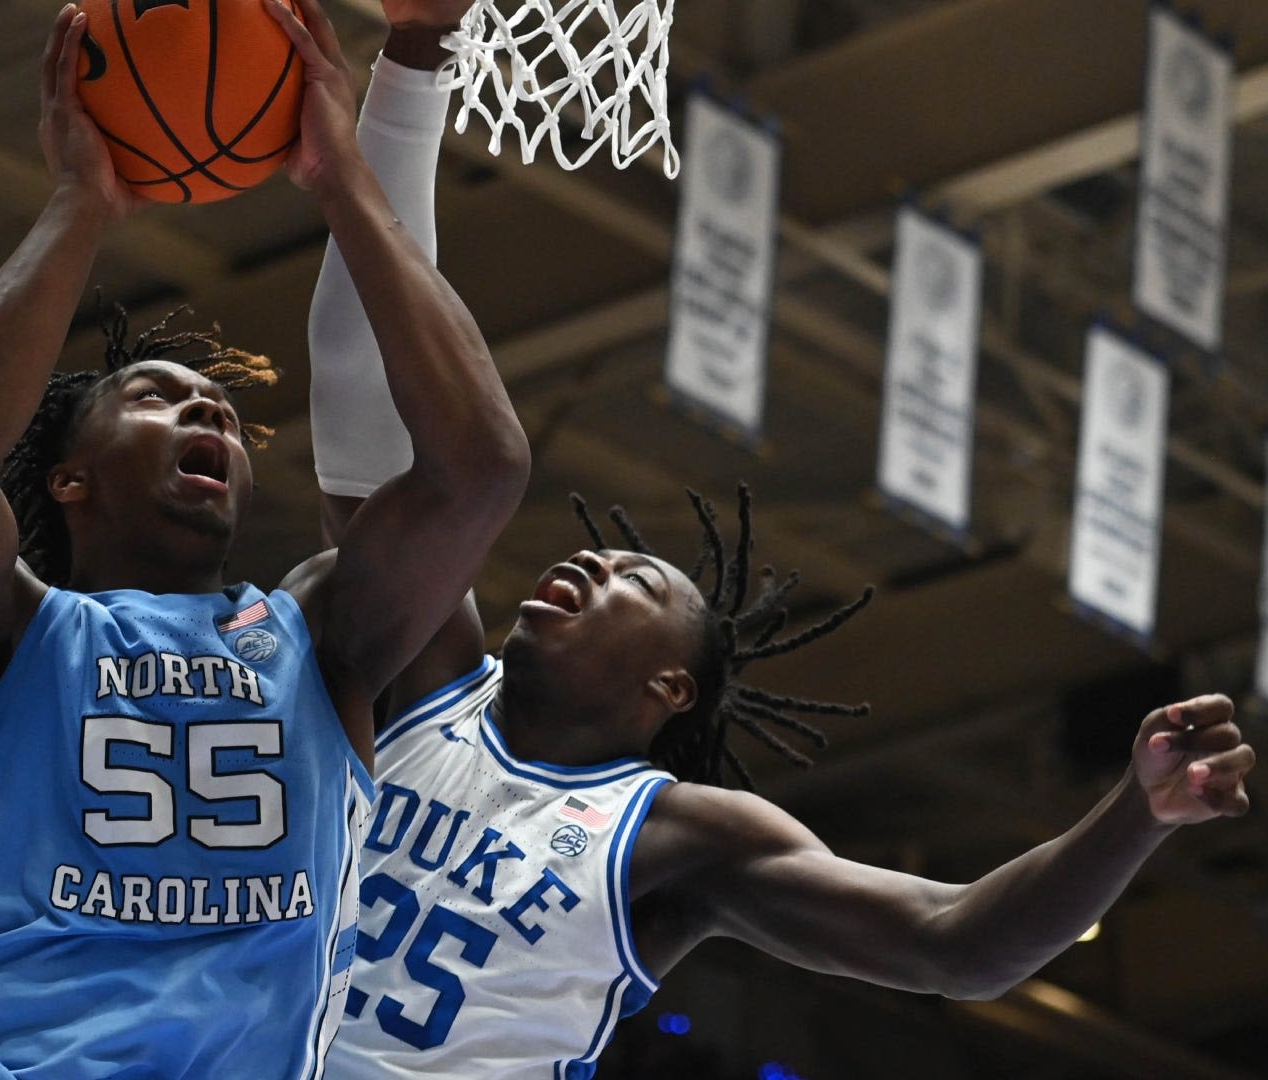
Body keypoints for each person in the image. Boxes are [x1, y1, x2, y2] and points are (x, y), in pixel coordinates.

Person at [304, 10, 1258, 1077]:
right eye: (598, 559)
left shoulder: (678, 842)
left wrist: (1138, 810)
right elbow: (364, 420)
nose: (584, 562)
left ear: (670, 684)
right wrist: (416, 58)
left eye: (633, 579)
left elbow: (957, 943)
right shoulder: (421, 675)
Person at [0, 0, 530, 1075]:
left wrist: (343, 178)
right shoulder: (2, 636)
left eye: (218, 409)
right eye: (155, 395)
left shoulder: (320, 637)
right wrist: (80, 203)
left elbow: (480, 469)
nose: (209, 413)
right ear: (68, 477)